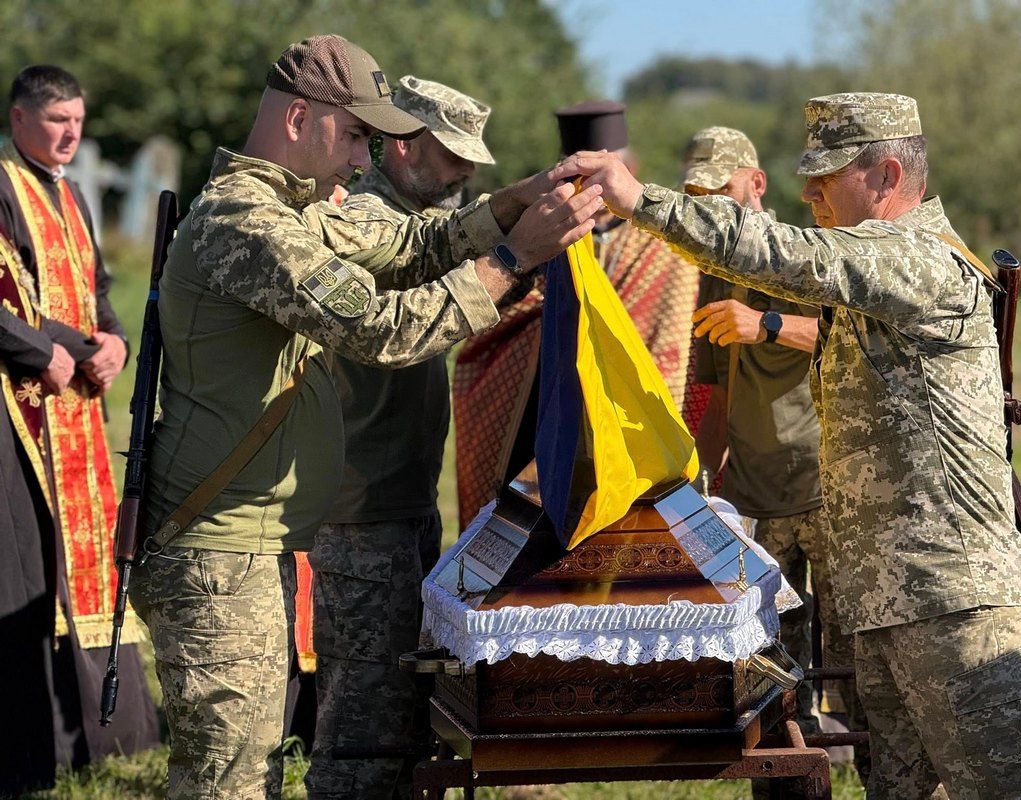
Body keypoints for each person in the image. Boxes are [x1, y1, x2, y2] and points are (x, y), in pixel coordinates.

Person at [127, 34, 601, 800]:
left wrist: (515, 201)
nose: (360, 159)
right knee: (231, 782)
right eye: (353, 136)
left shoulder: (292, 208)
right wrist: (512, 259)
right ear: (296, 121)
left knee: (251, 769)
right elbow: (379, 330)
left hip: (245, 543)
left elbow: (412, 245)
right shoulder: (247, 224)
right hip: (217, 548)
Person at [552, 92, 1021, 800]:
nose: (808, 191)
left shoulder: (916, 258)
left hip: (955, 609)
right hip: (891, 603)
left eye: (827, 174)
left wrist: (638, 200)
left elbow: (782, 255)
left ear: (886, 175)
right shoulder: (875, 273)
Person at [305, 75, 497, 800]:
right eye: (452, 155)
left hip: (402, 498)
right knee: (364, 725)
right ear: (404, 144)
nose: (465, 172)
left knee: (403, 713)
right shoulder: (365, 223)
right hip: (362, 506)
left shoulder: (415, 222)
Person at [683, 126, 868, 792]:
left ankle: (871, 768)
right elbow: (715, 386)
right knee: (768, 658)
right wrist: (705, 488)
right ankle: (791, 781)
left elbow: (854, 339)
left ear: (755, 184)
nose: (709, 207)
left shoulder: (804, 253)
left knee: (853, 647)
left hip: (827, 483)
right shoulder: (710, 273)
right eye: (695, 196)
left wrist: (762, 322)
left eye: (721, 191)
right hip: (754, 490)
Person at [0, 65, 158, 795]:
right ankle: (37, 746)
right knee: (28, 565)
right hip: (23, 407)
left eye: (78, 120)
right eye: (57, 119)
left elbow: (95, 290)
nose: (71, 133)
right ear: (20, 119)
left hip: (78, 406)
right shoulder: (4, 186)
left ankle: (108, 732)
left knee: (84, 561)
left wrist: (115, 340)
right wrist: (47, 353)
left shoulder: (69, 194)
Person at [452, 100, 708, 529]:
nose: (591, 191)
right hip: (542, 412)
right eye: (577, 179)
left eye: (601, 179)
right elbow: (501, 310)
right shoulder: (542, 226)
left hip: (628, 417)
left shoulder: (660, 242)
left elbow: (670, 339)